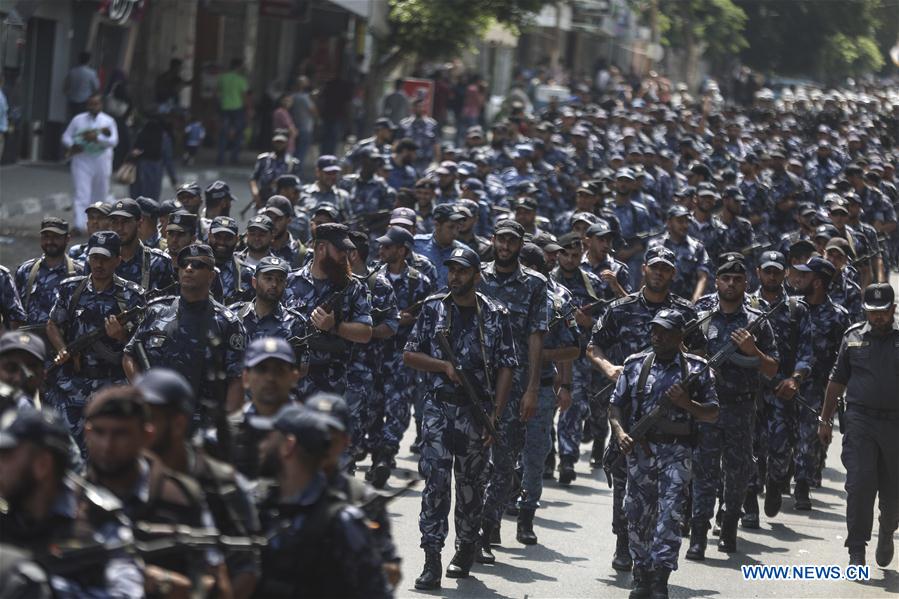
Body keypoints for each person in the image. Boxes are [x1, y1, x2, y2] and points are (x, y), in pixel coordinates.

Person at [404, 245, 517, 588]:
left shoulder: (496, 314)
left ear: (476, 275)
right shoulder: (433, 309)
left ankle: (466, 545)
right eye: (451, 270)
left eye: (462, 271)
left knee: (471, 486)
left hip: (475, 411)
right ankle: (432, 557)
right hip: (439, 408)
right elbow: (410, 354)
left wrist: (494, 416)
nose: (455, 276)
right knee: (436, 484)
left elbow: (507, 367)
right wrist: (443, 366)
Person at [588, 245, 704, 571]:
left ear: (673, 274)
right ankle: (624, 540)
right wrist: (608, 367)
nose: (659, 273)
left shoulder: (684, 313)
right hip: (628, 407)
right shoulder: (620, 309)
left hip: (673, 412)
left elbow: (702, 361)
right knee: (624, 475)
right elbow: (593, 346)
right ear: (644, 269)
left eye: (665, 269)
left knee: (670, 489)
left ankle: (659, 552)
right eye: (654, 267)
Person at [609, 309, 719, 599]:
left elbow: (712, 412)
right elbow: (615, 406)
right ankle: (641, 573)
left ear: (680, 336)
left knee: (670, 515)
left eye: (665, 331)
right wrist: (620, 433)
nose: (657, 336)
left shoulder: (697, 369)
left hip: (677, 451)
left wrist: (688, 403)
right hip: (641, 452)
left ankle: (660, 576)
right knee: (636, 514)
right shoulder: (634, 365)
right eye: (655, 330)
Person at [83, 386, 223, 596]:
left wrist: (167, 584)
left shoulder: (181, 496)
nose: (107, 445)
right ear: (87, 433)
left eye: (121, 434)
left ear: (146, 435)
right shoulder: (72, 499)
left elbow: (215, 583)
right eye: (99, 432)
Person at [136, 368, 262, 598]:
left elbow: (246, 569)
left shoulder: (223, 484)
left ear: (178, 423)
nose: (141, 429)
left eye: (150, 418)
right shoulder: (124, 477)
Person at [0, 408, 144, 597]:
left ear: (42, 465)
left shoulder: (98, 519)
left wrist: (43, 590)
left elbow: (127, 594)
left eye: (6, 456)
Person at [689, 255, 778, 558]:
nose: (730, 284)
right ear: (716, 281)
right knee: (703, 471)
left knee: (738, 472)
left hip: (741, 408)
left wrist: (753, 351)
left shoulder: (757, 319)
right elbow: (680, 350)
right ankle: (698, 533)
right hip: (706, 406)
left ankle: (728, 525)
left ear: (745, 283)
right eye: (725, 278)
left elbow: (771, 368)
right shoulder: (700, 314)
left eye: (737, 279)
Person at [252, 403, 391, 597]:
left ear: (288, 446)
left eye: (269, 437)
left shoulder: (341, 523)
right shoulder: (259, 505)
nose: (262, 445)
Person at [478, 219, 548, 562]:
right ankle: (473, 531)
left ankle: (489, 524)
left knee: (505, 464)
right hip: (477, 383)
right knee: (474, 462)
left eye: (512, 241)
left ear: (520, 245)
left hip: (517, 382)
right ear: (493, 241)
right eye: (501, 239)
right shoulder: (477, 275)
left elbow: (537, 336)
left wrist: (533, 387)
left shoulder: (535, 284)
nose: (505, 246)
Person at [123, 243, 247, 430]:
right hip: (155, 419)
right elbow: (129, 355)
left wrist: (227, 427)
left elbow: (237, 379)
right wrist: (142, 390)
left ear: (211, 275)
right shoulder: (156, 311)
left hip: (204, 425)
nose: (189, 269)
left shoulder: (227, 323)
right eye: (184, 264)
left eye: (198, 265)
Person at [820, 283, 899, 567]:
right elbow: (837, 380)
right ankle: (856, 549)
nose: (878, 317)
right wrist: (825, 419)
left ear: (893, 310)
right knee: (860, 484)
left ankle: (887, 530)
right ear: (865, 310)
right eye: (872, 312)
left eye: (883, 312)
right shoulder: (852, 338)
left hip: (895, 426)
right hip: (860, 421)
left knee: (893, 493)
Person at [44, 231, 145, 449]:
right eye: (94, 258)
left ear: (118, 260)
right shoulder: (71, 288)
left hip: (111, 384)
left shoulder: (131, 296)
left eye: (105, 259)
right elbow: (52, 324)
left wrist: (122, 336)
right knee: (66, 448)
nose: (98, 264)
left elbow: (142, 345)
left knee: (107, 447)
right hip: (73, 385)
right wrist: (63, 349)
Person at [284, 223, 372, 397]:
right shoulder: (290, 282)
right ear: (322, 248)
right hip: (292, 384)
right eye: (340, 250)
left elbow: (365, 333)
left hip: (334, 386)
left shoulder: (354, 287)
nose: (344, 256)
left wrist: (334, 326)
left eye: (346, 251)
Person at [790, 256, 849, 508]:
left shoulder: (837, 316)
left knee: (808, 438)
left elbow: (843, 358)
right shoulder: (791, 307)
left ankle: (802, 485)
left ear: (816, 282)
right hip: (786, 382)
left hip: (818, 387)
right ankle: (776, 477)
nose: (798, 279)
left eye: (804, 276)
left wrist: (837, 393)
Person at [228, 336, 301, 479]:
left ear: (294, 378)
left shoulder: (309, 429)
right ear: (246, 378)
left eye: (279, 370)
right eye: (262, 369)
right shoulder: (229, 431)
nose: (270, 378)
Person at [61, 94, 118, 234]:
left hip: (102, 161)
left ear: (101, 105)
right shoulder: (78, 120)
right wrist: (73, 145)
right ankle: (80, 225)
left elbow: (114, 141)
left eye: (96, 104)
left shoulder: (108, 121)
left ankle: (98, 225)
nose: (94, 106)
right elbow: (66, 137)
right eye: (91, 104)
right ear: (87, 105)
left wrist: (97, 138)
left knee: (101, 193)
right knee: (82, 194)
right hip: (82, 160)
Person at [15, 217, 82, 328]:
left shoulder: (79, 272)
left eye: (56, 237)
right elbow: (14, 312)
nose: (50, 242)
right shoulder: (26, 270)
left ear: (67, 239)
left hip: (65, 341)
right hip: (31, 340)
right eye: (46, 237)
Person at [101, 197, 176, 291]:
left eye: (125, 221)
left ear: (139, 224)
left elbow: (169, 301)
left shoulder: (158, 262)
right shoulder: (101, 261)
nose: (119, 227)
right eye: (114, 222)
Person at [250, 130, 302, 210]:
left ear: (286, 143)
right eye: (277, 142)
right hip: (263, 201)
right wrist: (255, 194)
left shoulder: (293, 163)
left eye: (282, 142)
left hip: (283, 203)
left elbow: (297, 186)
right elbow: (253, 178)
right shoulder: (264, 159)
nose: (279, 145)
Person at [209, 216, 255, 305]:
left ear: (236, 240)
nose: (222, 242)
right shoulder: (194, 266)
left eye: (228, 238)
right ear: (209, 236)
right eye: (217, 236)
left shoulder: (246, 274)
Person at [216, 57, 250, 165]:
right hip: (237, 108)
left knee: (223, 133)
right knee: (238, 133)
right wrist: (248, 109)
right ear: (239, 67)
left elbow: (217, 93)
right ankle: (234, 157)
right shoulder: (241, 79)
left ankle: (220, 158)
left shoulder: (222, 78)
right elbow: (244, 96)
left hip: (224, 107)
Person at [290, 75, 318, 168]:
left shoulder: (292, 96)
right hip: (305, 127)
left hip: (294, 126)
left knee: (294, 150)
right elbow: (313, 111)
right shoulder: (305, 98)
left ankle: (291, 168)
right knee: (301, 151)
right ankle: (297, 170)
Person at [63, 51, 100, 118]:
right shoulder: (92, 73)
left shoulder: (72, 72)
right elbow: (96, 87)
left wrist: (69, 95)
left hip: (72, 100)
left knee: (73, 118)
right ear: (89, 60)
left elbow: (65, 87)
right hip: (85, 101)